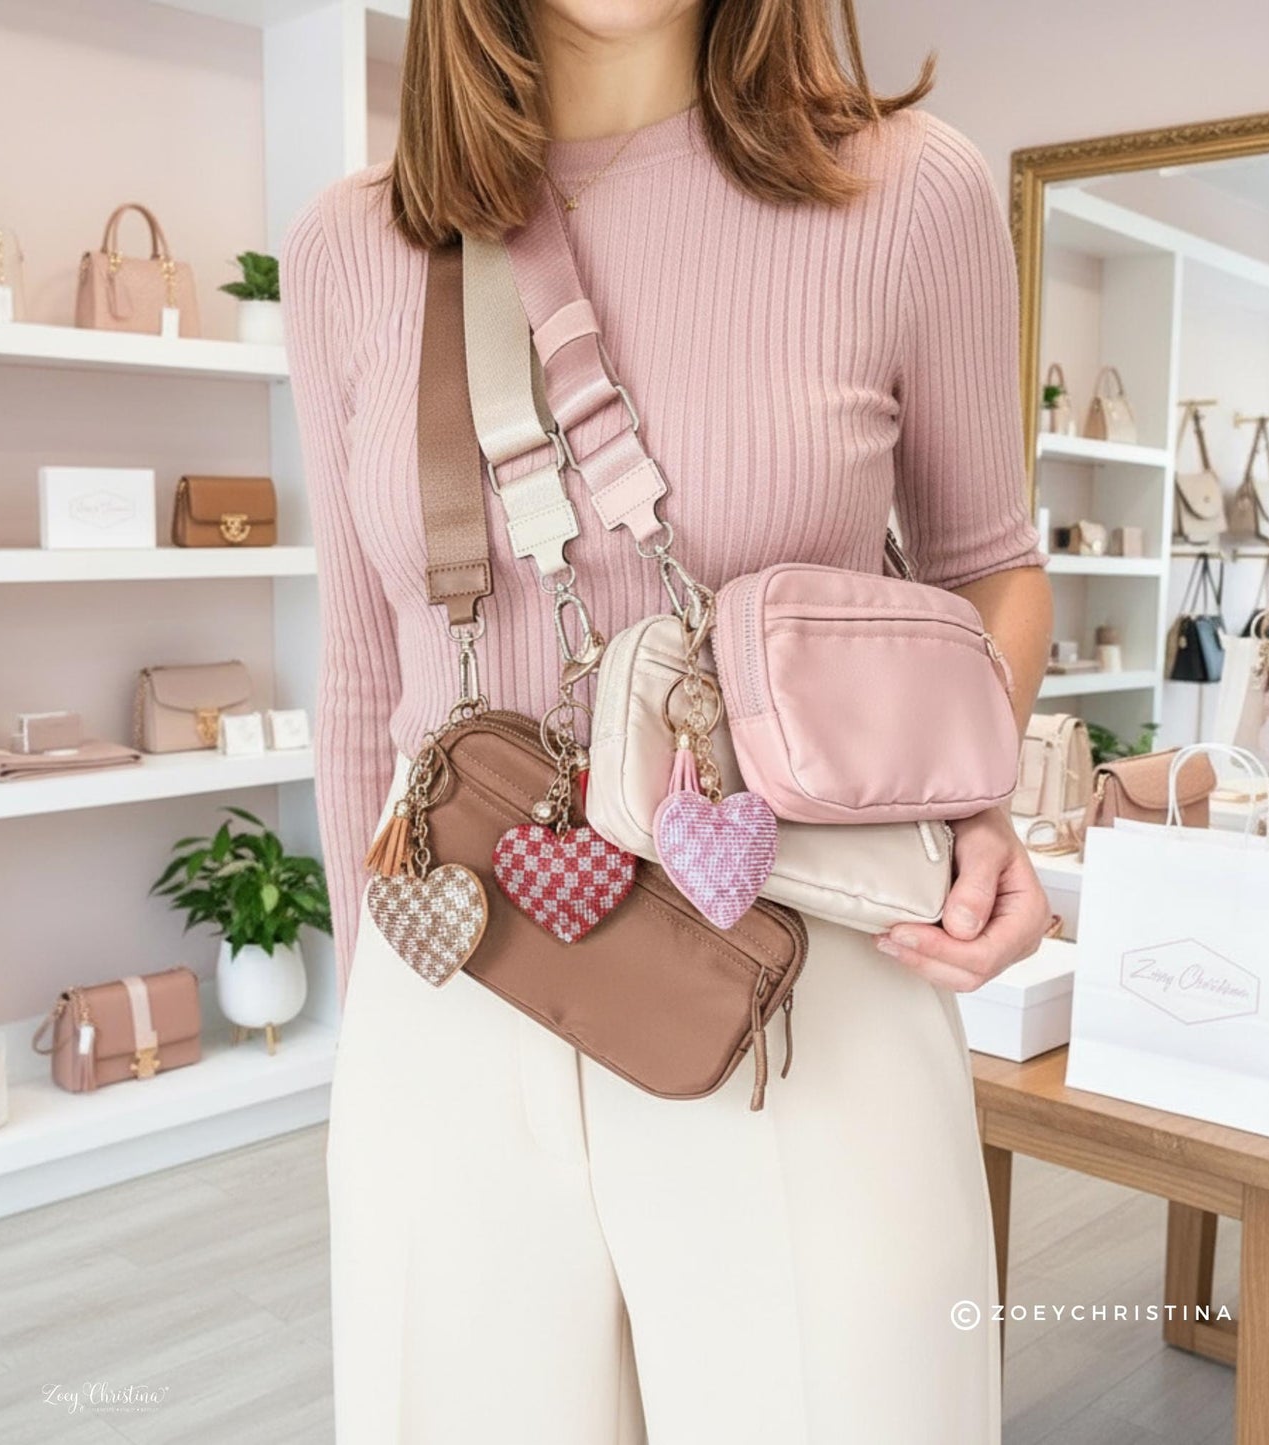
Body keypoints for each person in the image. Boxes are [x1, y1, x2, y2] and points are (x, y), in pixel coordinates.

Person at [281, 2, 1054, 1440]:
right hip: (453, 970)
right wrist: (384, 1031)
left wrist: (975, 799)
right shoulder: (351, 245)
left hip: (801, 974)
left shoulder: (909, 190)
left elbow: (985, 568)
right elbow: (358, 669)